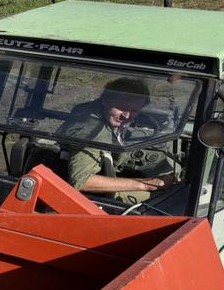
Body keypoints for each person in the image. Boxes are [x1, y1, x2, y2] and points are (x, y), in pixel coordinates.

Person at [59, 76, 180, 205]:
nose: (127, 116)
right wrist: (145, 185)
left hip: (104, 173)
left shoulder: (93, 109)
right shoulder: (93, 133)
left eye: (134, 110)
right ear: (105, 100)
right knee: (168, 198)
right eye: (122, 108)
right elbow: (81, 182)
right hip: (89, 197)